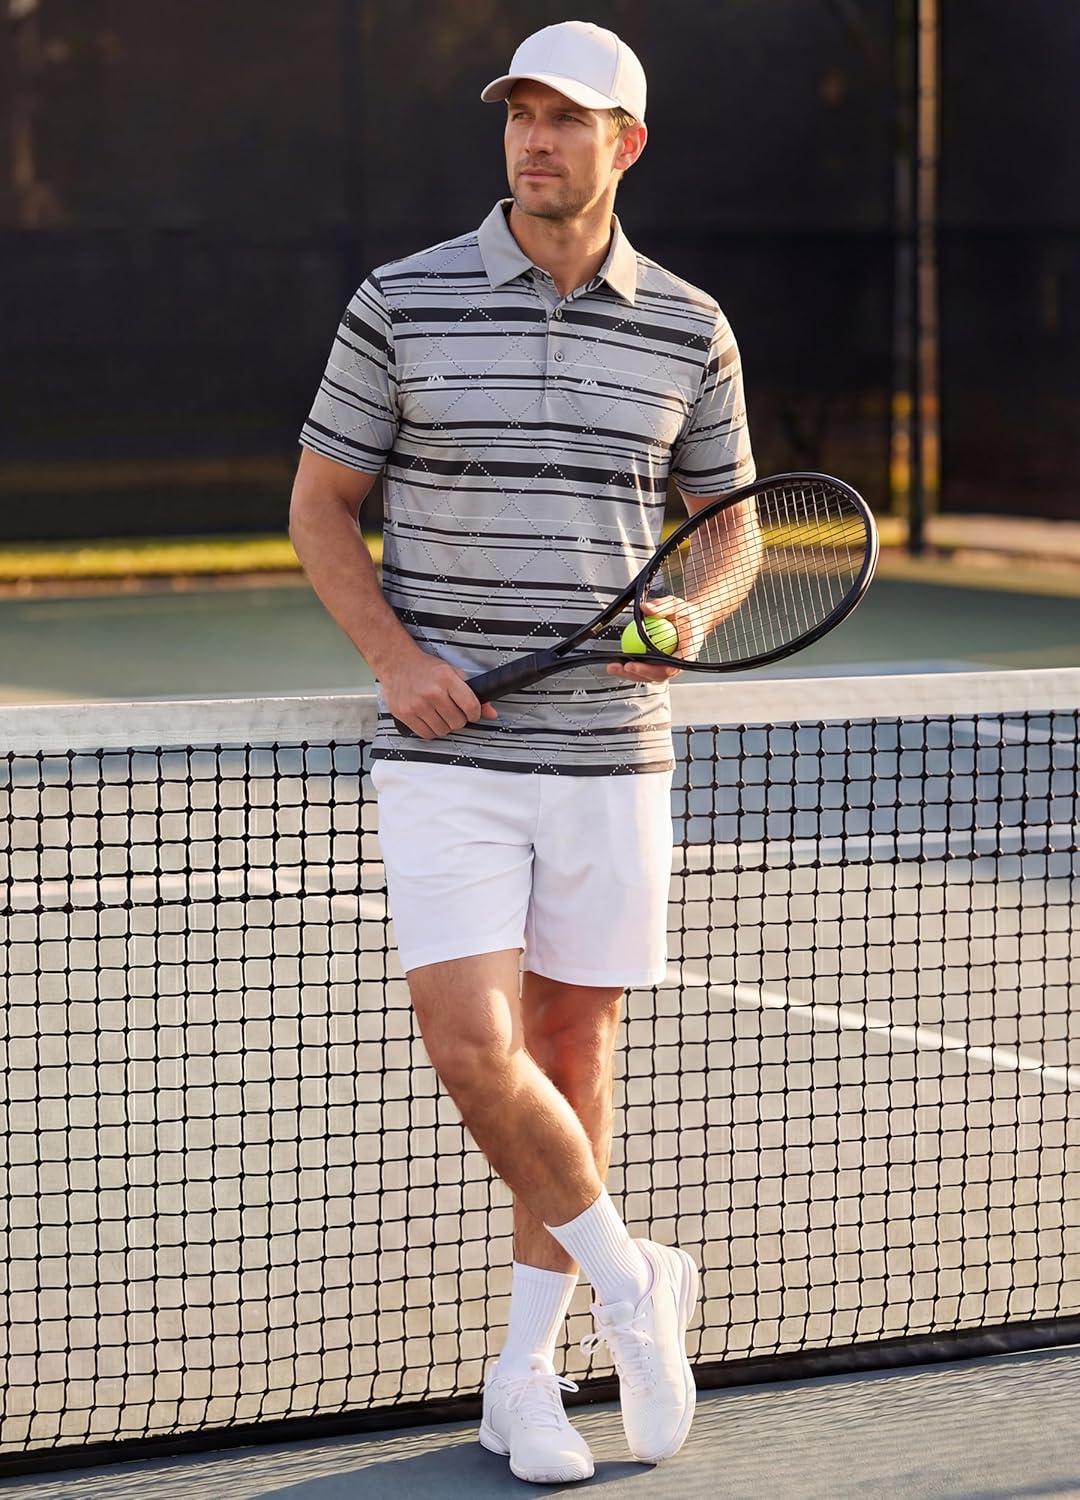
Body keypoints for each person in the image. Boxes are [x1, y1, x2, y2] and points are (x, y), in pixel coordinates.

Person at [290, 19, 755, 1485]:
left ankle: (526, 1374)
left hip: (615, 753)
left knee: (572, 1052)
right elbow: (318, 506)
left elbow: (733, 526)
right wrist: (399, 663)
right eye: (519, 115)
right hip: (451, 754)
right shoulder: (400, 301)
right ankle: (633, 1278)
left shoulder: (691, 326)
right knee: (471, 1046)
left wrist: (691, 614)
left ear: (626, 144)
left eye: (566, 119)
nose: (534, 140)